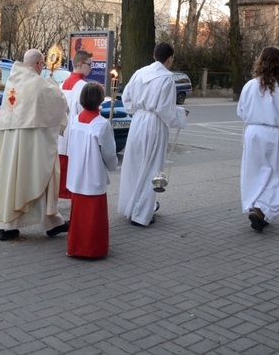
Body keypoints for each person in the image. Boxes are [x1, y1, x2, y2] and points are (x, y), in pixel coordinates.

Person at [0, 49, 69, 241]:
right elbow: (59, 100)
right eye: (42, 64)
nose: (42, 68)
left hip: (11, 142)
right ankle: (50, 222)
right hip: (32, 142)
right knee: (42, 176)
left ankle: (9, 226)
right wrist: (53, 84)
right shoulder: (37, 83)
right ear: (38, 64)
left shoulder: (13, 79)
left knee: (11, 179)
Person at [118, 42, 188, 227]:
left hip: (138, 121)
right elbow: (165, 110)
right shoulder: (166, 78)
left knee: (135, 164)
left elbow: (126, 98)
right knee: (151, 167)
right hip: (154, 124)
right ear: (170, 58)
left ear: (154, 55)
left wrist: (138, 110)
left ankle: (131, 205)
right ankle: (141, 214)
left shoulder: (140, 73)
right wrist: (180, 114)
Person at [237, 46, 279, 232]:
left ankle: (254, 205)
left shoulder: (250, 85)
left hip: (253, 133)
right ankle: (262, 209)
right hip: (275, 133)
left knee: (254, 171)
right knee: (277, 174)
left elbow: (241, 111)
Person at [65, 82, 118, 259]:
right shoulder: (101, 125)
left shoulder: (75, 120)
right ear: (100, 100)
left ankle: (75, 247)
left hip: (77, 173)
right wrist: (112, 166)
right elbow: (109, 153)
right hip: (92, 174)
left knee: (79, 214)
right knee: (94, 215)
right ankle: (93, 249)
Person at [58, 49, 93, 200]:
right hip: (75, 134)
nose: (91, 68)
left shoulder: (61, 85)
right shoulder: (83, 87)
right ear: (80, 64)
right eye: (89, 64)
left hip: (60, 135)